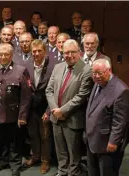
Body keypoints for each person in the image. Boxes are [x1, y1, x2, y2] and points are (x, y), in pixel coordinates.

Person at [46, 39, 93, 176]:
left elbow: (81, 96)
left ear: (79, 52)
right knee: (60, 149)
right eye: (66, 52)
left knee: (74, 152)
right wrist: (55, 110)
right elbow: (49, 90)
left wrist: (62, 111)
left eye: (73, 52)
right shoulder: (58, 67)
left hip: (72, 118)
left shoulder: (86, 70)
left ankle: (73, 173)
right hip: (56, 117)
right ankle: (62, 171)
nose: (69, 55)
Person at [0, 43, 31, 176]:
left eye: (6, 54)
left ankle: (15, 165)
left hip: (14, 113)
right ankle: (3, 161)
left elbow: (25, 97)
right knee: (1, 139)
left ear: (11, 55)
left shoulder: (20, 70)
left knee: (15, 141)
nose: (3, 57)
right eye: (0, 54)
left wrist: (22, 116)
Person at [86, 59, 129, 176]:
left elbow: (120, 121)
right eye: (94, 73)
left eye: (99, 73)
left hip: (107, 144)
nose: (96, 76)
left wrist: (113, 141)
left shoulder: (121, 90)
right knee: (93, 172)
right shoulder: (98, 82)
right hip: (93, 139)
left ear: (109, 71)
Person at [23, 40, 55, 174]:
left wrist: (49, 111)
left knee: (45, 136)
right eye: (34, 51)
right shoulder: (27, 66)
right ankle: (35, 156)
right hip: (31, 108)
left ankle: (45, 161)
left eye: (39, 51)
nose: (36, 54)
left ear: (45, 52)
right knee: (33, 134)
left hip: (45, 107)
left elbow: (54, 91)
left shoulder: (53, 67)